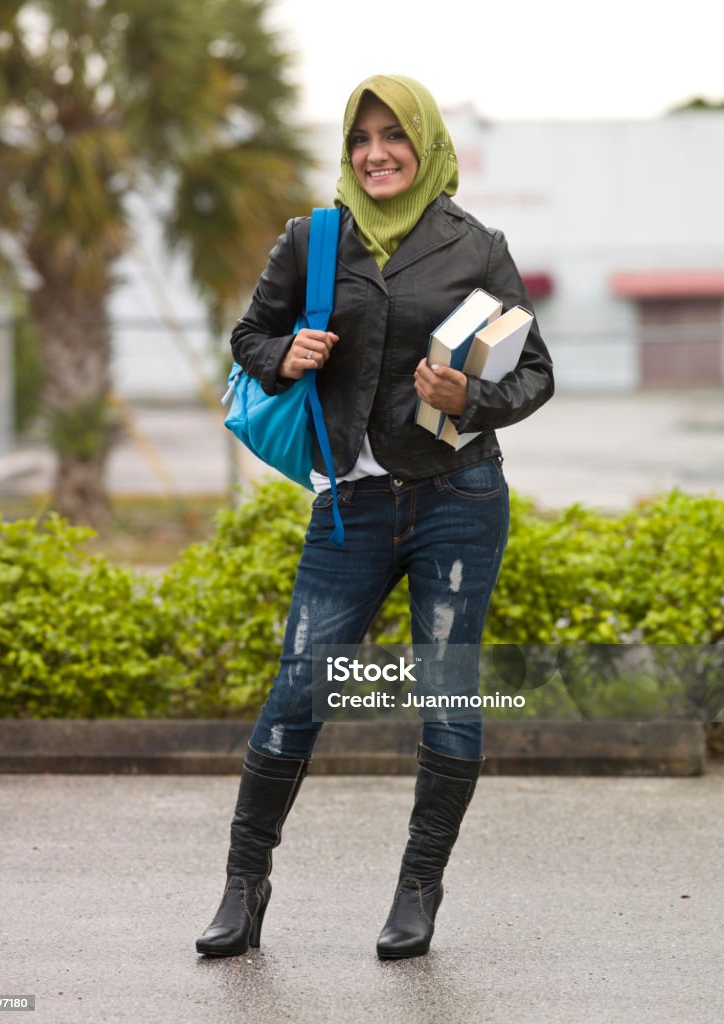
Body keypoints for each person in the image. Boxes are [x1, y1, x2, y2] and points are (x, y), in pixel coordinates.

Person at [196, 74, 554, 960]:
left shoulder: (477, 246)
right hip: (350, 506)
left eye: (394, 135)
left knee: (444, 701)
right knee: (298, 689)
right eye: (362, 137)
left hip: (458, 499)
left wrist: (468, 395)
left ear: (427, 145)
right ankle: (245, 888)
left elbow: (536, 372)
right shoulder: (315, 238)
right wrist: (287, 353)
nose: (376, 152)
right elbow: (247, 338)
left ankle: (418, 890)